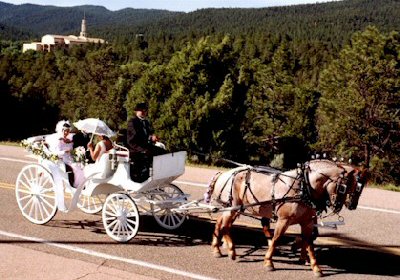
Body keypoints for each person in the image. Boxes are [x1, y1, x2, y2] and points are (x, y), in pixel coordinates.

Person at [127, 102, 166, 182]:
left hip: (145, 145)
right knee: (148, 152)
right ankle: (143, 177)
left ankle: (159, 174)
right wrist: (150, 137)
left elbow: (149, 134)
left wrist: (153, 137)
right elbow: (135, 137)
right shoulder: (133, 122)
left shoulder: (146, 122)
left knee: (162, 151)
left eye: (145, 110)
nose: (144, 112)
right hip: (135, 146)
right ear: (137, 111)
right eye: (142, 110)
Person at [46, 120, 84, 187]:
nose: (66, 132)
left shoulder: (69, 140)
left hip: (69, 158)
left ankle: (79, 184)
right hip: (61, 160)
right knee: (76, 167)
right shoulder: (57, 140)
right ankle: (76, 185)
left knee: (80, 166)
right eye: (65, 130)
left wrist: (76, 153)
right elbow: (55, 153)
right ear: (61, 130)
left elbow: (71, 150)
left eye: (68, 131)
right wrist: (64, 152)